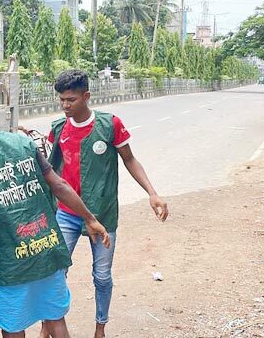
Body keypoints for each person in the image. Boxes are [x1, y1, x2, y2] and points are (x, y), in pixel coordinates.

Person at [0, 94, 111, 338]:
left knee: (13, 326)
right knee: (55, 318)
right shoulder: (24, 144)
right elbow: (58, 185)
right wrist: (90, 218)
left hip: (10, 262)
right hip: (45, 248)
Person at [42, 70, 169, 338]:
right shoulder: (57, 129)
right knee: (54, 273)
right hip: (66, 214)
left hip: (103, 214)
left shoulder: (110, 125)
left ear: (86, 96)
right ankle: (48, 325)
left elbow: (130, 160)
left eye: (71, 100)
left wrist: (152, 192)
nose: (65, 105)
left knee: (101, 276)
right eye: (62, 100)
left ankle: (100, 327)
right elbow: (50, 173)